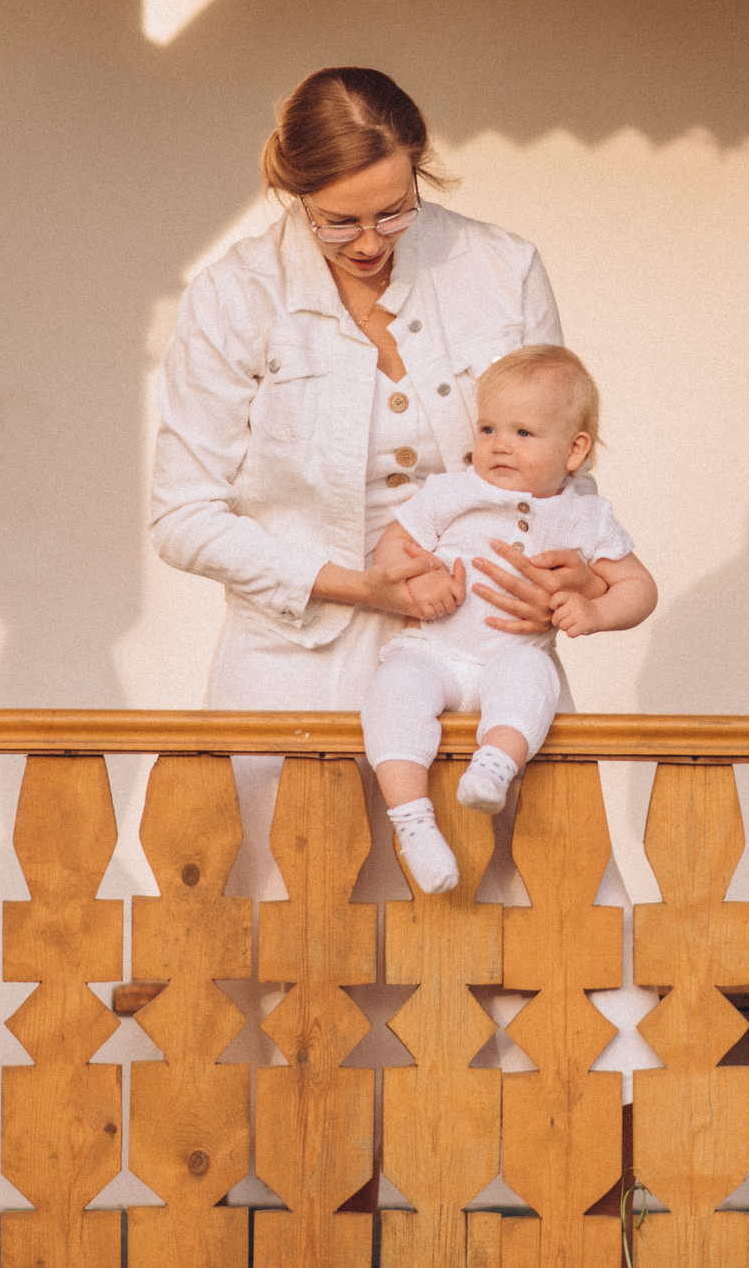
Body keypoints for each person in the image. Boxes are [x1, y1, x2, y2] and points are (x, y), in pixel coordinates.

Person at [150, 67, 607, 709]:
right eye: (337, 222)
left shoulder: (504, 269)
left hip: (488, 647)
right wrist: (361, 587)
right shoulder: (234, 295)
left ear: (419, 169)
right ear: (295, 192)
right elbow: (182, 515)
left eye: (394, 213)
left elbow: (564, 465)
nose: (369, 243)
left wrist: (576, 567)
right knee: (294, 815)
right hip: (292, 663)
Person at [362, 347, 656, 892]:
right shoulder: (451, 491)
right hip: (434, 651)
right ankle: (413, 822)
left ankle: (495, 767)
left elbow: (639, 589)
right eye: (488, 427)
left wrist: (594, 608)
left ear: (574, 451)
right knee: (393, 692)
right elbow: (394, 543)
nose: (499, 444)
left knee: (532, 680)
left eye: (523, 433)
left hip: (511, 654)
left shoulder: (587, 515)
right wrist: (417, 577)